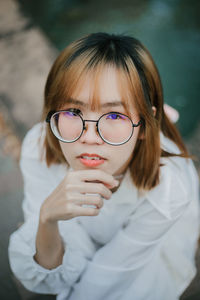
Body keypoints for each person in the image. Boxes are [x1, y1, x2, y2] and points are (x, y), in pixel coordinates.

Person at [8, 32, 200, 300]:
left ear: (145, 124)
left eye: (113, 114)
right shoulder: (38, 148)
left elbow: (113, 273)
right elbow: (47, 272)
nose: (88, 137)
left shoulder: (168, 189)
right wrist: (47, 220)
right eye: (74, 112)